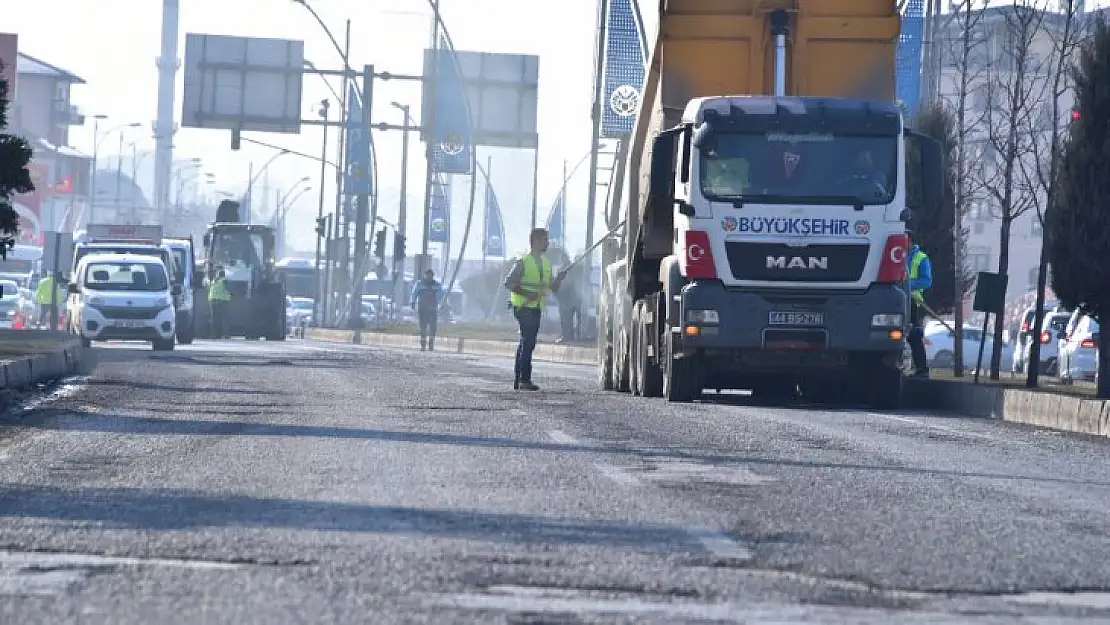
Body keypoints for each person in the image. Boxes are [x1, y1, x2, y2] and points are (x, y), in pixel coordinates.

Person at [504, 228, 567, 390]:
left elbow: (552, 287)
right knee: (528, 340)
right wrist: (527, 293)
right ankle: (524, 379)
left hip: (536, 307)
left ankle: (520, 379)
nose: (548, 243)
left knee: (527, 341)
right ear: (536, 241)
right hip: (522, 307)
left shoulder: (546, 263)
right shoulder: (523, 261)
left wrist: (559, 279)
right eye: (545, 240)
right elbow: (509, 283)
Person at [906, 230, 933, 377]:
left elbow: (926, 281)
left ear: (910, 241)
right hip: (896, 300)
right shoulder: (896, 254)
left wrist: (907, 284)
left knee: (914, 336)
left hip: (913, 302)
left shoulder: (921, 258)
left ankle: (922, 369)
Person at [410, 269, 444, 351]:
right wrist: (413, 302)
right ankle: (423, 345)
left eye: (430, 275)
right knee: (423, 327)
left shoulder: (437, 285)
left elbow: (441, 294)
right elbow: (414, 293)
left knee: (433, 327)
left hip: (433, 309)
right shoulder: (419, 284)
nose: (429, 277)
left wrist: (439, 300)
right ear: (425, 275)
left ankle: (431, 344)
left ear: (432, 276)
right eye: (427, 275)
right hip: (422, 309)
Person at [207, 267, 232, 339]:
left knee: (215, 319)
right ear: (224, 275)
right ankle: (226, 335)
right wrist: (232, 294)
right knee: (225, 318)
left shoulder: (214, 281)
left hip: (212, 301)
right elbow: (229, 289)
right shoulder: (224, 280)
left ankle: (215, 335)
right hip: (222, 301)